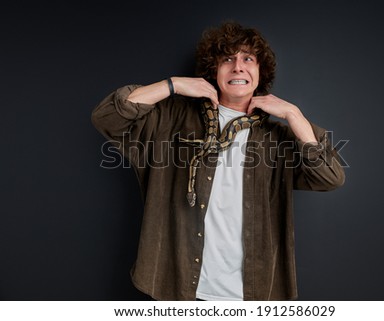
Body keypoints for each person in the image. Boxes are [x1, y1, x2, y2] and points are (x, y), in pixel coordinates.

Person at [91, 21, 345, 301]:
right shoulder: (172, 119)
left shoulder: (280, 136)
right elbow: (108, 117)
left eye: (248, 59)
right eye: (227, 59)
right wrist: (172, 85)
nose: (238, 67)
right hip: (177, 285)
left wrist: (295, 115)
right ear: (214, 71)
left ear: (261, 72)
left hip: (252, 292)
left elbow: (330, 177)